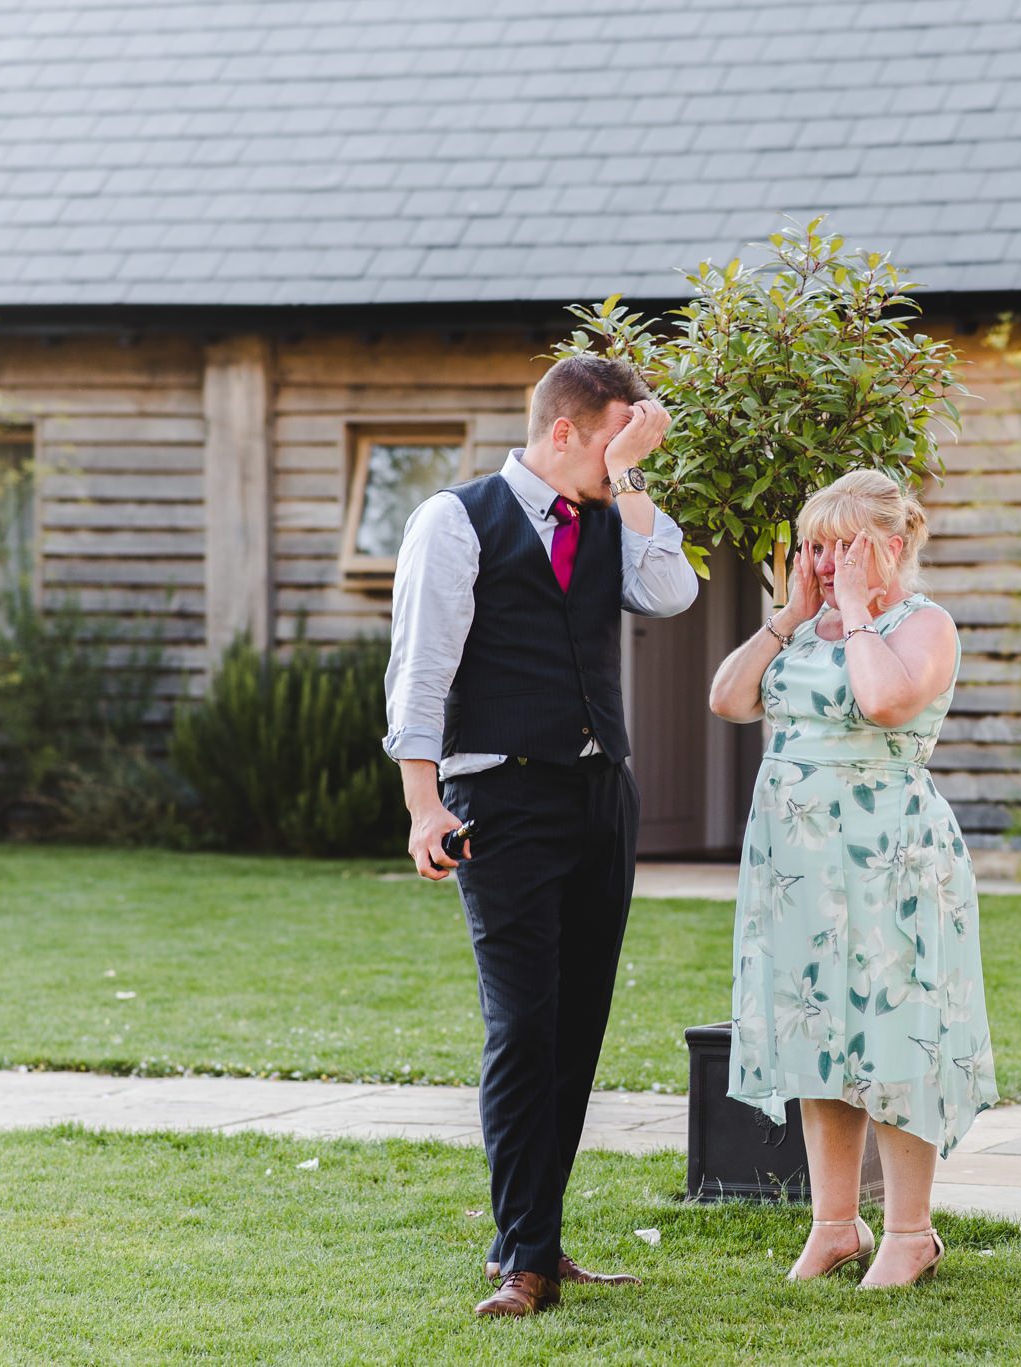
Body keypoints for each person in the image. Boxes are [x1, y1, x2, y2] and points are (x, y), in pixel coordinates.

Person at [382, 355, 698, 1318]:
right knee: (522, 1025)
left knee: (575, 1029)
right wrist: (423, 804)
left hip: (603, 798)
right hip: (501, 802)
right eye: (617, 441)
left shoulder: (613, 514)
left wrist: (635, 475)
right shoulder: (454, 518)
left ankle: (533, 1244)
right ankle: (524, 1256)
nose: (627, 460)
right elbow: (420, 667)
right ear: (564, 431)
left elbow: (673, 593)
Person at [707, 469, 999, 1290]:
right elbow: (727, 698)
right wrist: (791, 617)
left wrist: (862, 612)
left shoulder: (923, 625)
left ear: (891, 547)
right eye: (815, 545)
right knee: (817, 1039)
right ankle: (835, 1224)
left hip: (891, 861)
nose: (824, 561)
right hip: (795, 869)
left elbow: (881, 704)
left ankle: (911, 1232)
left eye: (842, 545)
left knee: (894, 1036)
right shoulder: (802, 627)